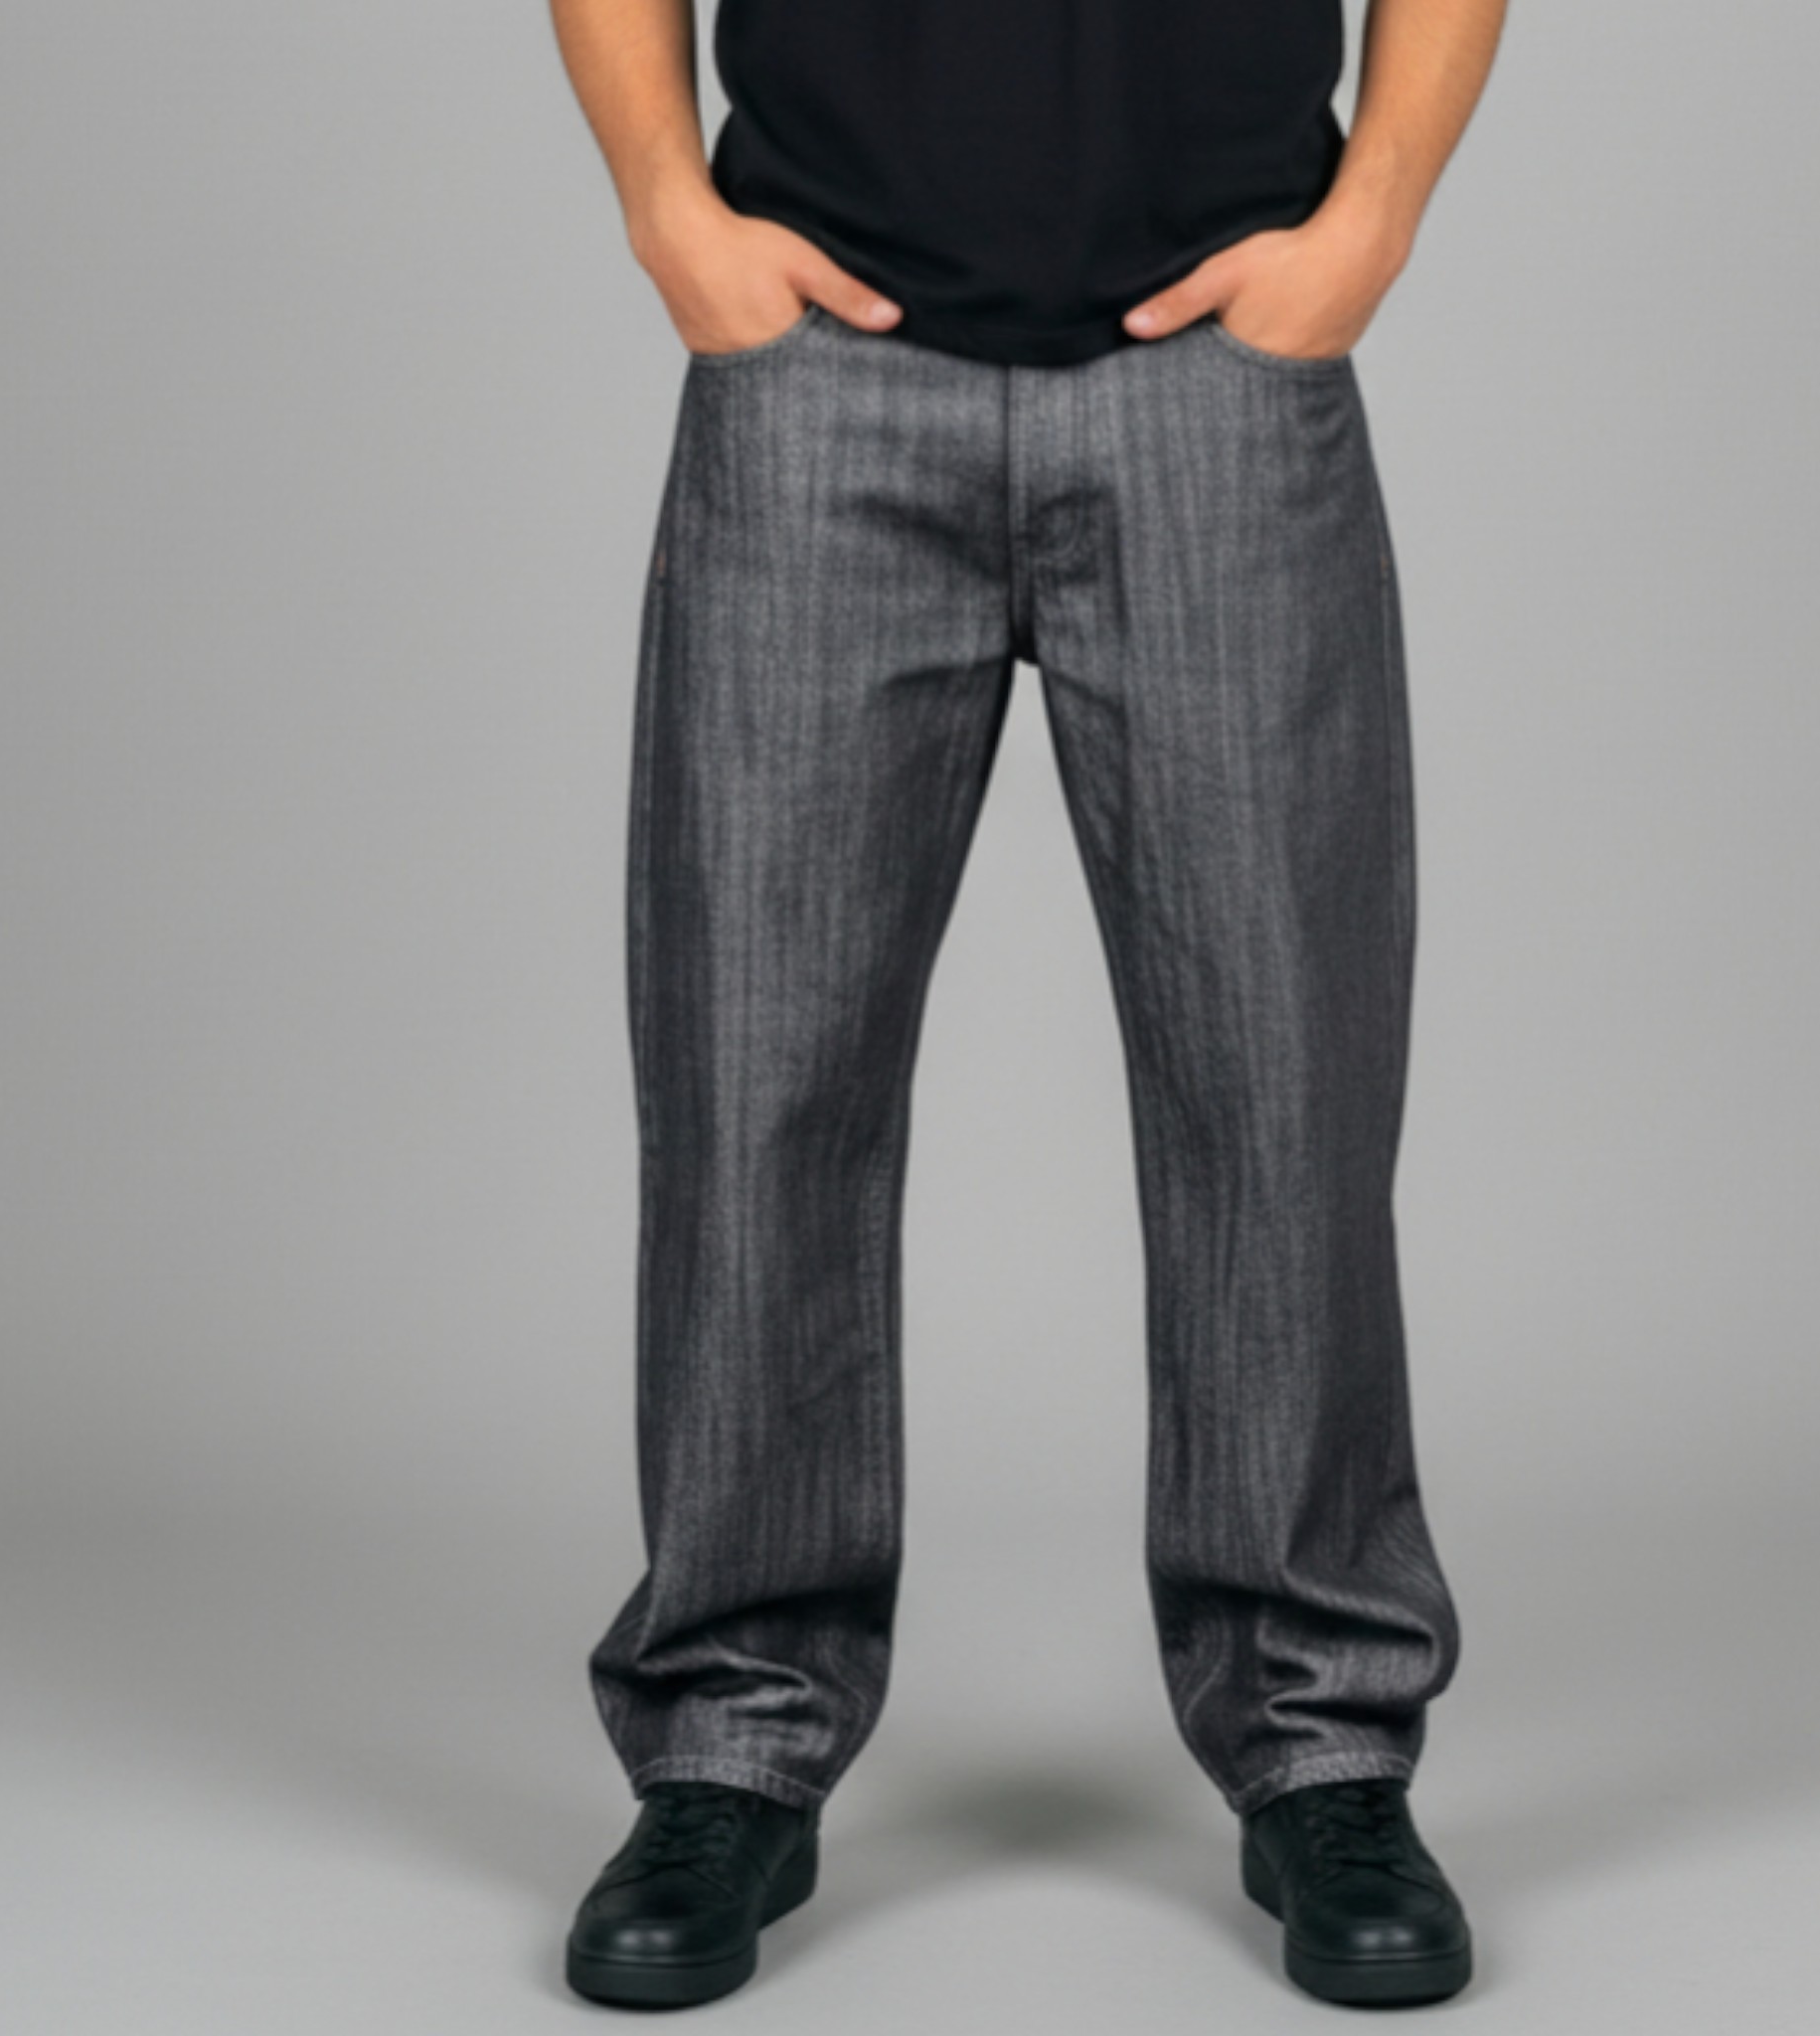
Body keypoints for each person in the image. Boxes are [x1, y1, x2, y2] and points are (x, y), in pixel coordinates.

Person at [547, 0, 1506, 2009]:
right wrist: (663, 204)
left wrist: (1373, 220)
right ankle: (731, 1730)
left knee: (1283, 1081)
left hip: (1219, 370)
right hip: (819, 369)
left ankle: (1320, 1737)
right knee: (754, 1081)